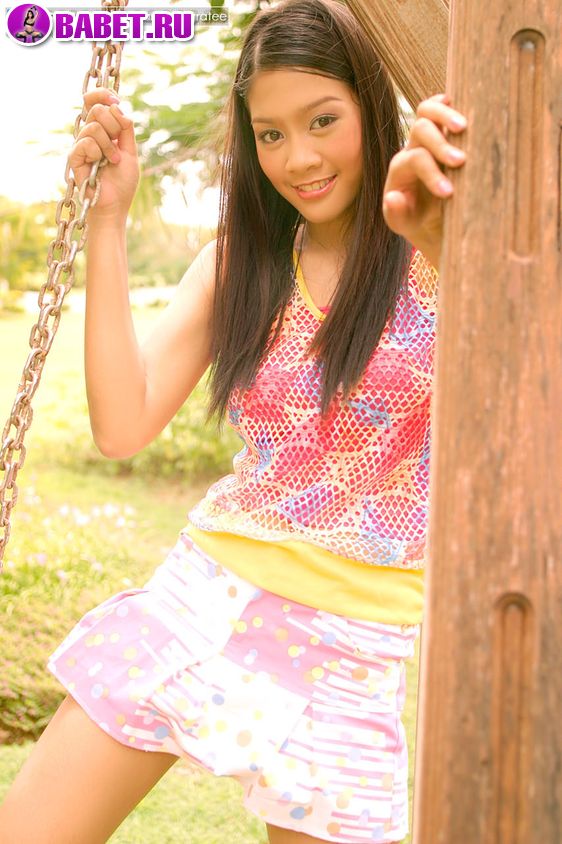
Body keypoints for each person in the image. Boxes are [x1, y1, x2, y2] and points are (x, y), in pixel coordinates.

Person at [0, 0, 467, 841]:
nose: (300, 158)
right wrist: (108, 217)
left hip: (351, 653)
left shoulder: (443, 251)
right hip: (200, 603)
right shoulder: (241, 265)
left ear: (371, 106)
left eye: (322, 121)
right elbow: (122, 425)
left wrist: (443, 241)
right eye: (270, 134)